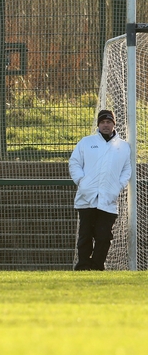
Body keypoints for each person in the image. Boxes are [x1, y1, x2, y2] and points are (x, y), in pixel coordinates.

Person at [69, 109, 131, 271]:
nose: (105, 125)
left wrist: (117, 187)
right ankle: (83, 266)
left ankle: (97, 267)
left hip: (109, 200)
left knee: (104, 237)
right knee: (85, 235)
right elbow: (74, 163)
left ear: (113, 124)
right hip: (86, 198)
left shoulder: (124, 147)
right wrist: (82, 182)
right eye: (103, 122)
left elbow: (127, 170)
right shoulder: (86, 142)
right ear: (98, 124)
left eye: (109, 122)